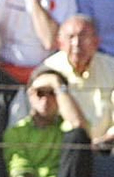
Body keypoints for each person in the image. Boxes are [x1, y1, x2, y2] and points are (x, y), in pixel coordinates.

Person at [3, 69, 94, 177]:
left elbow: (78, 125)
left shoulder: (66, 126)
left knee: (78, 135)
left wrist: (58, 85)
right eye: (40, 93)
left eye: (52, 93)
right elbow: (18, 170)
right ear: (30, 94)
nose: (45, 99)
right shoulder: (17, 131)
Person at [39, 14, 114, 153]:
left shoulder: (111, 68)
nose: (76, 43)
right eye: (70, 37)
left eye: (83, 36)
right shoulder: (47, 70)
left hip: (107, 149)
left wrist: (103, 142)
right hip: (62, 152)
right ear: (60, 42)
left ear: (96, 42)